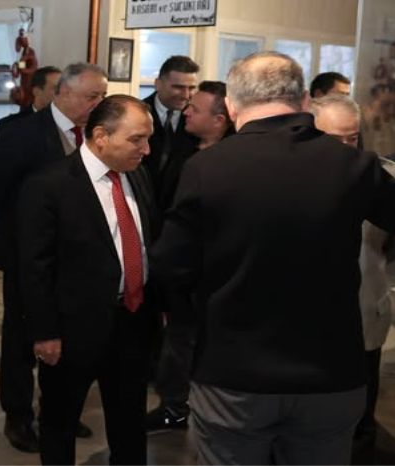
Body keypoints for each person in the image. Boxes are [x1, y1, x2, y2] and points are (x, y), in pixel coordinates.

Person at [152, 51, 395, 466]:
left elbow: (171, 266)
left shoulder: (207, 167)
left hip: (235, 373)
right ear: (305, 101)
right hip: (330, 373)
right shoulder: (352, 164)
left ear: (232, 106)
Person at [18, 94, 159, 466]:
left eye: (148, 139)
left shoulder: (138, 175)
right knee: (60, 421)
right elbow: (34, 268)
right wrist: (45, 332)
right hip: (72, 329)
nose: (146, 149)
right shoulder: (49, 184)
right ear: (100, 136)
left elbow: (147, 243)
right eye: (136, 139)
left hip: (133, 320)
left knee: (130, 420)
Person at [0, 62, 107, 453]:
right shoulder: (20, 133)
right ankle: (17, 416)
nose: (99, 103)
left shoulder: (97, 135)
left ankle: (59, 410)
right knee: (21, 339)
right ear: (63, 93)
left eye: (103, 96)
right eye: (92, 96)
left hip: (77, 261)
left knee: (69, 339)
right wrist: (26, 238)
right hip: (28, 257)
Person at [310, 93, 395, 466]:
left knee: (360, 410)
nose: (344, 147)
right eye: (332, 138)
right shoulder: (290, 179)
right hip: (303, 315)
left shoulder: (390, 177)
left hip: (363, 307)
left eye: (351, 138)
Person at [146, 80, 234, 432]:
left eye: (195, 109)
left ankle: (182, 406)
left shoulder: (227, 163)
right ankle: (175, 403)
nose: (186, 112)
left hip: (204, 272)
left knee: (187, 342)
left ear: (219, 120)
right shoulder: (183, 148)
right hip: (177, 267)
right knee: (177, 340)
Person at [141, 55, 200, 210]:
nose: (186, 95)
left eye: (191, 88)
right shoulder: (137, 114)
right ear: (158, 84)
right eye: (178, 87)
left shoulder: (197, 120)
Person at [0, 65, 62, 153]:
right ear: (37, 92)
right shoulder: (9, 127)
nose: (63, 94)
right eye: (56, 89)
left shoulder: (70, 124)